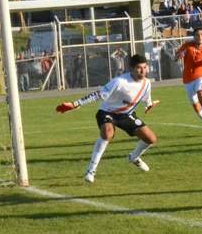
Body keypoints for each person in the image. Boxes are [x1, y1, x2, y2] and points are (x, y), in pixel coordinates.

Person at [55, 54, 160, 184]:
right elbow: (97, 94)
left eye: (145, 67)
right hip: (107, 112)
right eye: (139, 68)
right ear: (131, 68)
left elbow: (146, 99)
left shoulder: (147, 83)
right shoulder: (120, 82)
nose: (143, 71)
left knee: (151, 139)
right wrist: (74, 104)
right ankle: (91, 171)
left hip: (126, 115)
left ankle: (133, 157)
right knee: (107, 133)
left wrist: (149, 105)